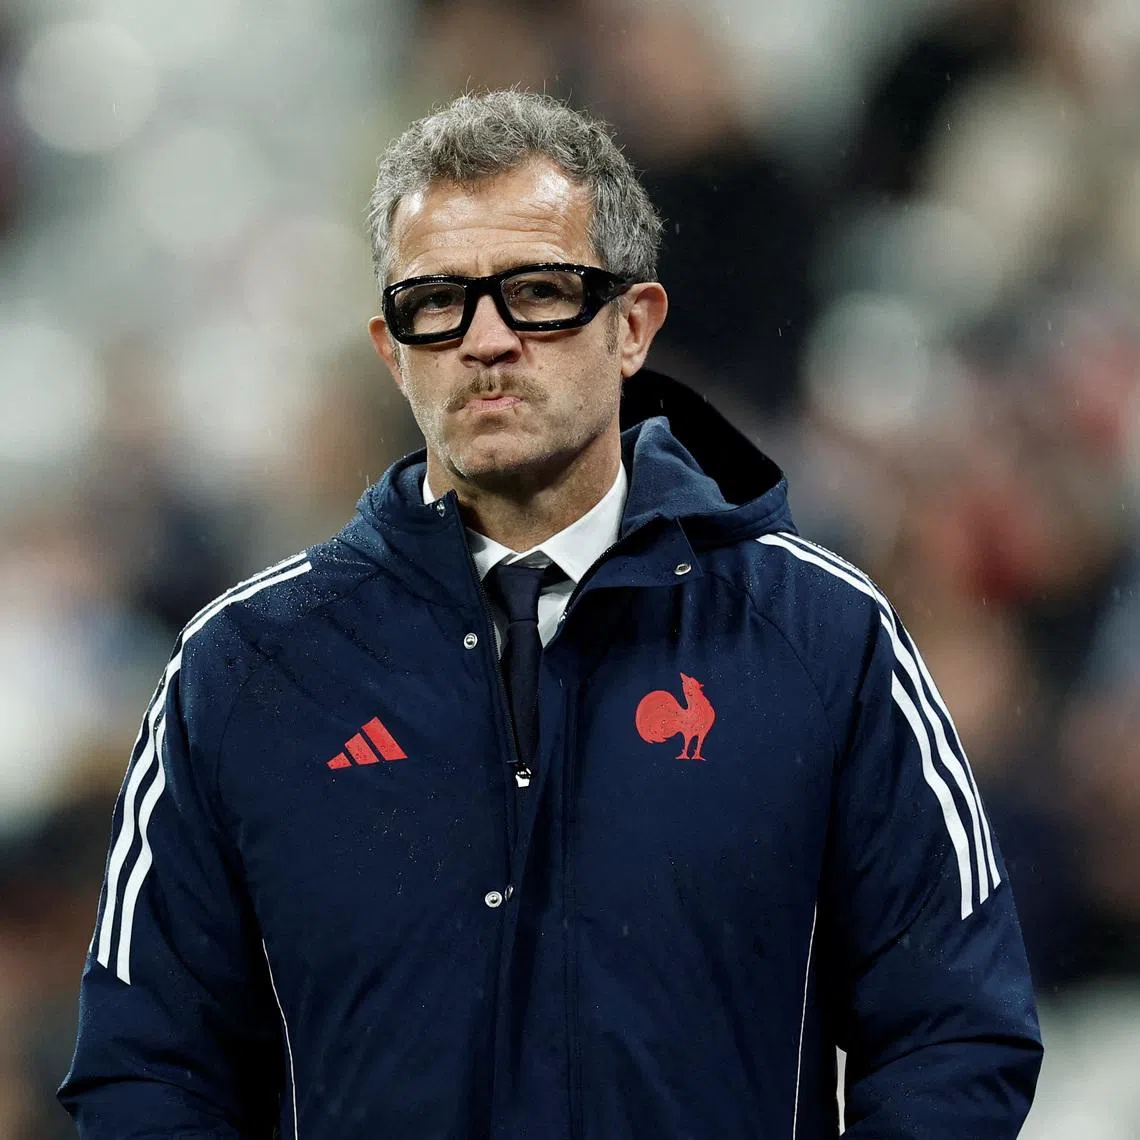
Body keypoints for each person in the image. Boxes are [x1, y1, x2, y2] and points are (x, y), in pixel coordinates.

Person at [59, 91, 1042, 1138]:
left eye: (536, 291)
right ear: (393, 350)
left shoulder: (820, 639)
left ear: (633, 326)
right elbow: (146, 1069)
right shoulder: (243, 670)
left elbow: (954, 1030)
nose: (485, 339)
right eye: (434, 302)